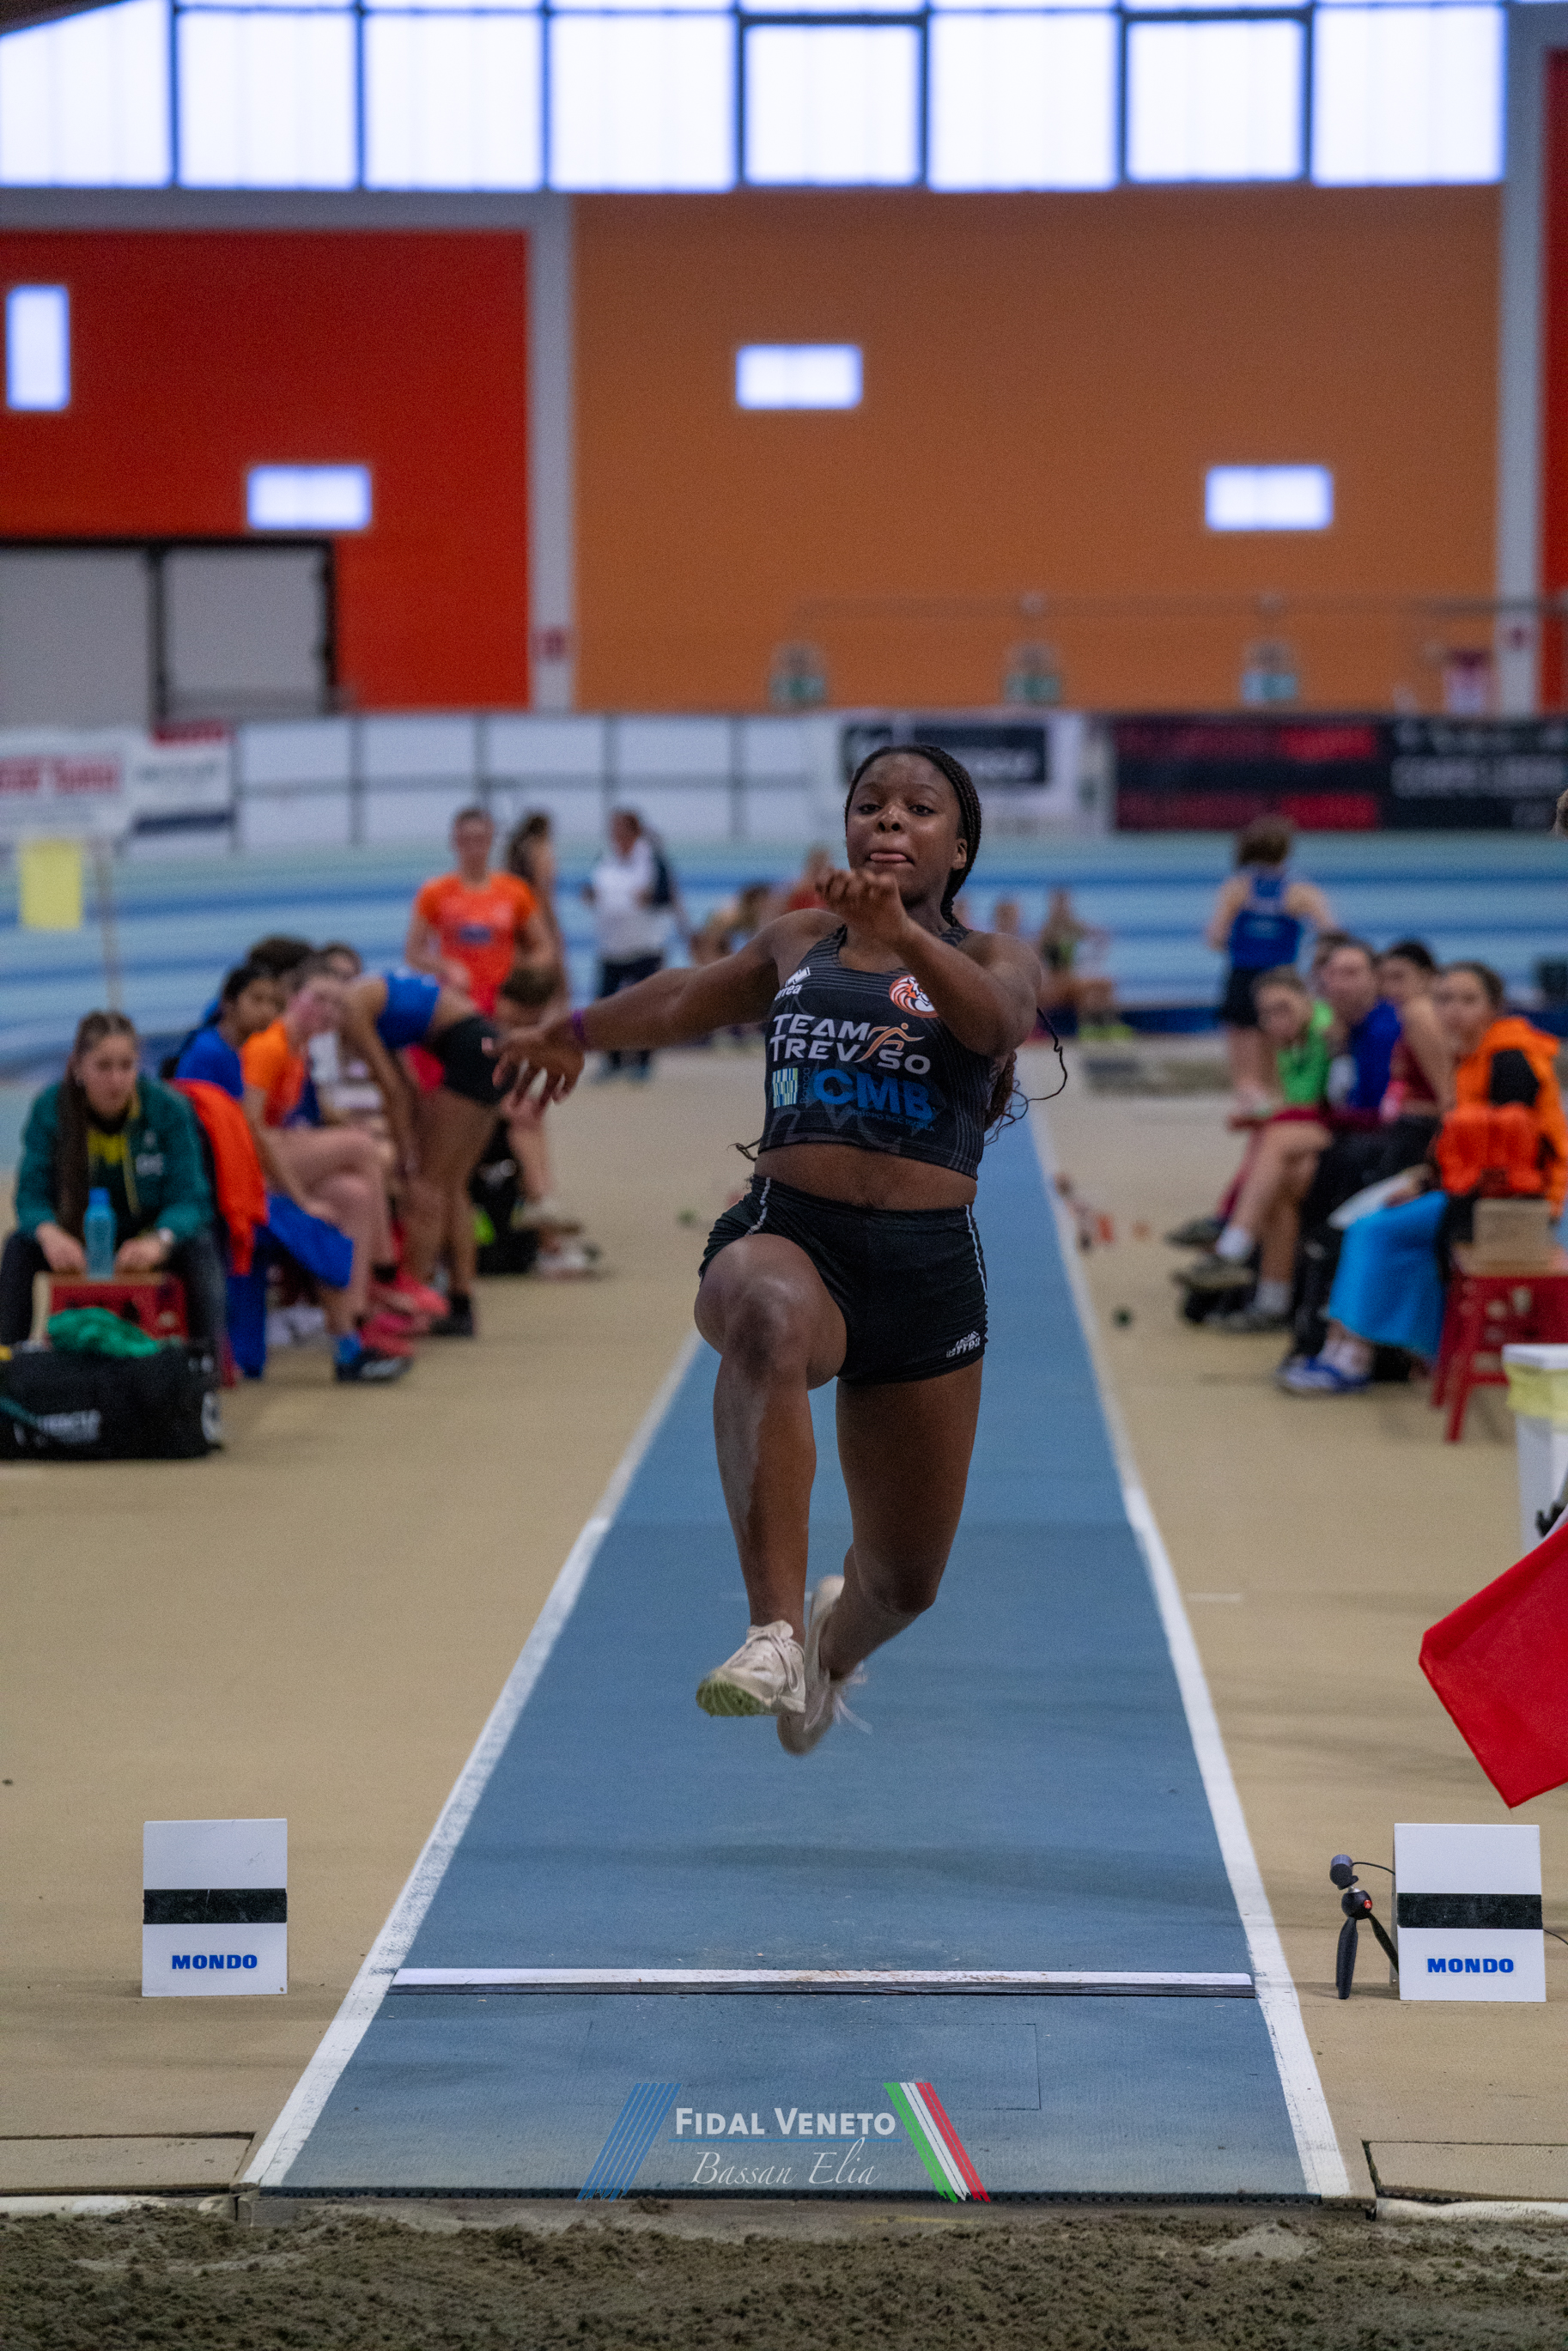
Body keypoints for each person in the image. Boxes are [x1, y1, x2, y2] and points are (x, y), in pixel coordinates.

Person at [492, 744, 1042, 1756]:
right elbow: (682, 995)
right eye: (869, 804)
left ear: (958, 847)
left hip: (926, 1270)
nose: (888, 820)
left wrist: (902, 937)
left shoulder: (997, 956)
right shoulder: (798, 940)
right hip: (793, 1230)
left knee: (903, 1582)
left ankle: (830, 1645)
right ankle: (774, 1635)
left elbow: (996, 1021)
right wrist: (575, 1028)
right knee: (763, 1306)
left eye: (917, 808)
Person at [1280, 963, 1568, 1394]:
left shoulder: (1509, 1059)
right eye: (1445, 1000)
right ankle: (1409, 1348)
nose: (1454, 1010)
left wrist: (1432, 1186)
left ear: (1494, 1006)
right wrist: (1424, 1181)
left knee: (1372, 1232)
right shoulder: (1472, 1055)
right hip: (1473, 1195)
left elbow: (1507, 1163)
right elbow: (1466, 1148)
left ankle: (1353, 1356)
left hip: (1514, 1207)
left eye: (1468, 1000)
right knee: (1381, 1225)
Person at [1177, 939, 1403, 1312]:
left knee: (1277, 1136)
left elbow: (1369, 1111)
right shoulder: (1325, 1033)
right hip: (1342, 1135)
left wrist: (1281, 1116)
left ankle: (1230, 1241)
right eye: (1333, 975)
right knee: (1285, 1177)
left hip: (1368, 1139)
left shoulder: (1352, 1030)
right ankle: (1271, 1301)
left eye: (1352, 974)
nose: (1339, 984)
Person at [1, 1011, 225, 1346]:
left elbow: (191, 1198)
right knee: (19, 1247)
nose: (117, 1080)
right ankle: (9, 1360)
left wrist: (160, 1239)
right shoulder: (51, 1108)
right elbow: (31, 1195)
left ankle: (203, 1361)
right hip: (77, 1239)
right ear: (79, 1067)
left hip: (148, 1236)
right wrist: (49, 1233)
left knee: (200, 1246)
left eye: (126, 1066)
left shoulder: (168, 1109)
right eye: (103, 1067)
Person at [240, 970, 412, 1382]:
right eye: (318, 998)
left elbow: (293, 1120)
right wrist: (301, 1197)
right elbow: (251, 1129)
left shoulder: (300, 1054)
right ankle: (386, 1266)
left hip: (279, 1150)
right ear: (292, 997)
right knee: (362, 1147)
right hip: (250, 1163)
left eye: (338, 1005)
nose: (327, 1011)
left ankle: (350, 1337)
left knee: (353, 1196)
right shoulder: (269, 1046)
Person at [337, 968, 511, 1335]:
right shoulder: (374, 1000)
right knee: (453, 1187)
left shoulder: (352, 1008)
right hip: (488, 1046)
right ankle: (461, 1303)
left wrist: (406, 1157)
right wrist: (409, 1144)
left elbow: (392, 1089)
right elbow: (408, 1087)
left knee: (425, 1189)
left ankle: (409, 1305)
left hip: (470, 1051)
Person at [1206, 817, 1332, 1105]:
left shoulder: (1237, 889)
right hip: (1282, 978)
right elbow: (1330, 935)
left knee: (1244, 1067)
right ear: (1287, 851)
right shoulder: (1301, 892)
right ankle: (1279, 1104)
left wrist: (1248, 940)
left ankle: (1251, 1106)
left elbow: (1215, 938)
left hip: (1243, 977)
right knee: (1280, 1049)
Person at [406, 807, 547, 1018]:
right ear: (455, 841)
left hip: (503, 1000)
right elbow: (413, 953)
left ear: (490, 840)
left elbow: (544, 947)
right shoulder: (434, 891)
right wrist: (446, 967)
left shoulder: (515, 890)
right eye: (466, 840)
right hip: (456, 999)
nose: (473, 847)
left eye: (480, 839)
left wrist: (521, 974)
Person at [584, 808, 672, 1080]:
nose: (617, 836)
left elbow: (666, 895)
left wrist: (650, 897)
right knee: (606, 1006)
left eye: (622, 830)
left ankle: (643, 1060)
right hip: (611, 948)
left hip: (645, 946)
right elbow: (591, 888)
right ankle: (612, 1060)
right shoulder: (604, 858)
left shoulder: (652, 859)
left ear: (635, 832)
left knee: (646, 1006)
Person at [172, 963, 283, 1101]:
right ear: (229, 1002)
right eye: (257, 1000)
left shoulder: (239, 1049)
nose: (267, 1011)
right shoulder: (209, 1051)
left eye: (273, 1002)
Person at [1035, 888, 1127, 1041]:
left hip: (1071, 980)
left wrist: (1093, 959)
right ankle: (1095, 1026)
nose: (1062, 908)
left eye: (1064, 904)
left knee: (1097, 990)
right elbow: (1038, 960)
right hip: (1056, 982)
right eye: (1059, 904)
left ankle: (1101, 1027)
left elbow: (1101, 935)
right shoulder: (1046, 931)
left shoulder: (1074, 927)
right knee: (1097, 985)